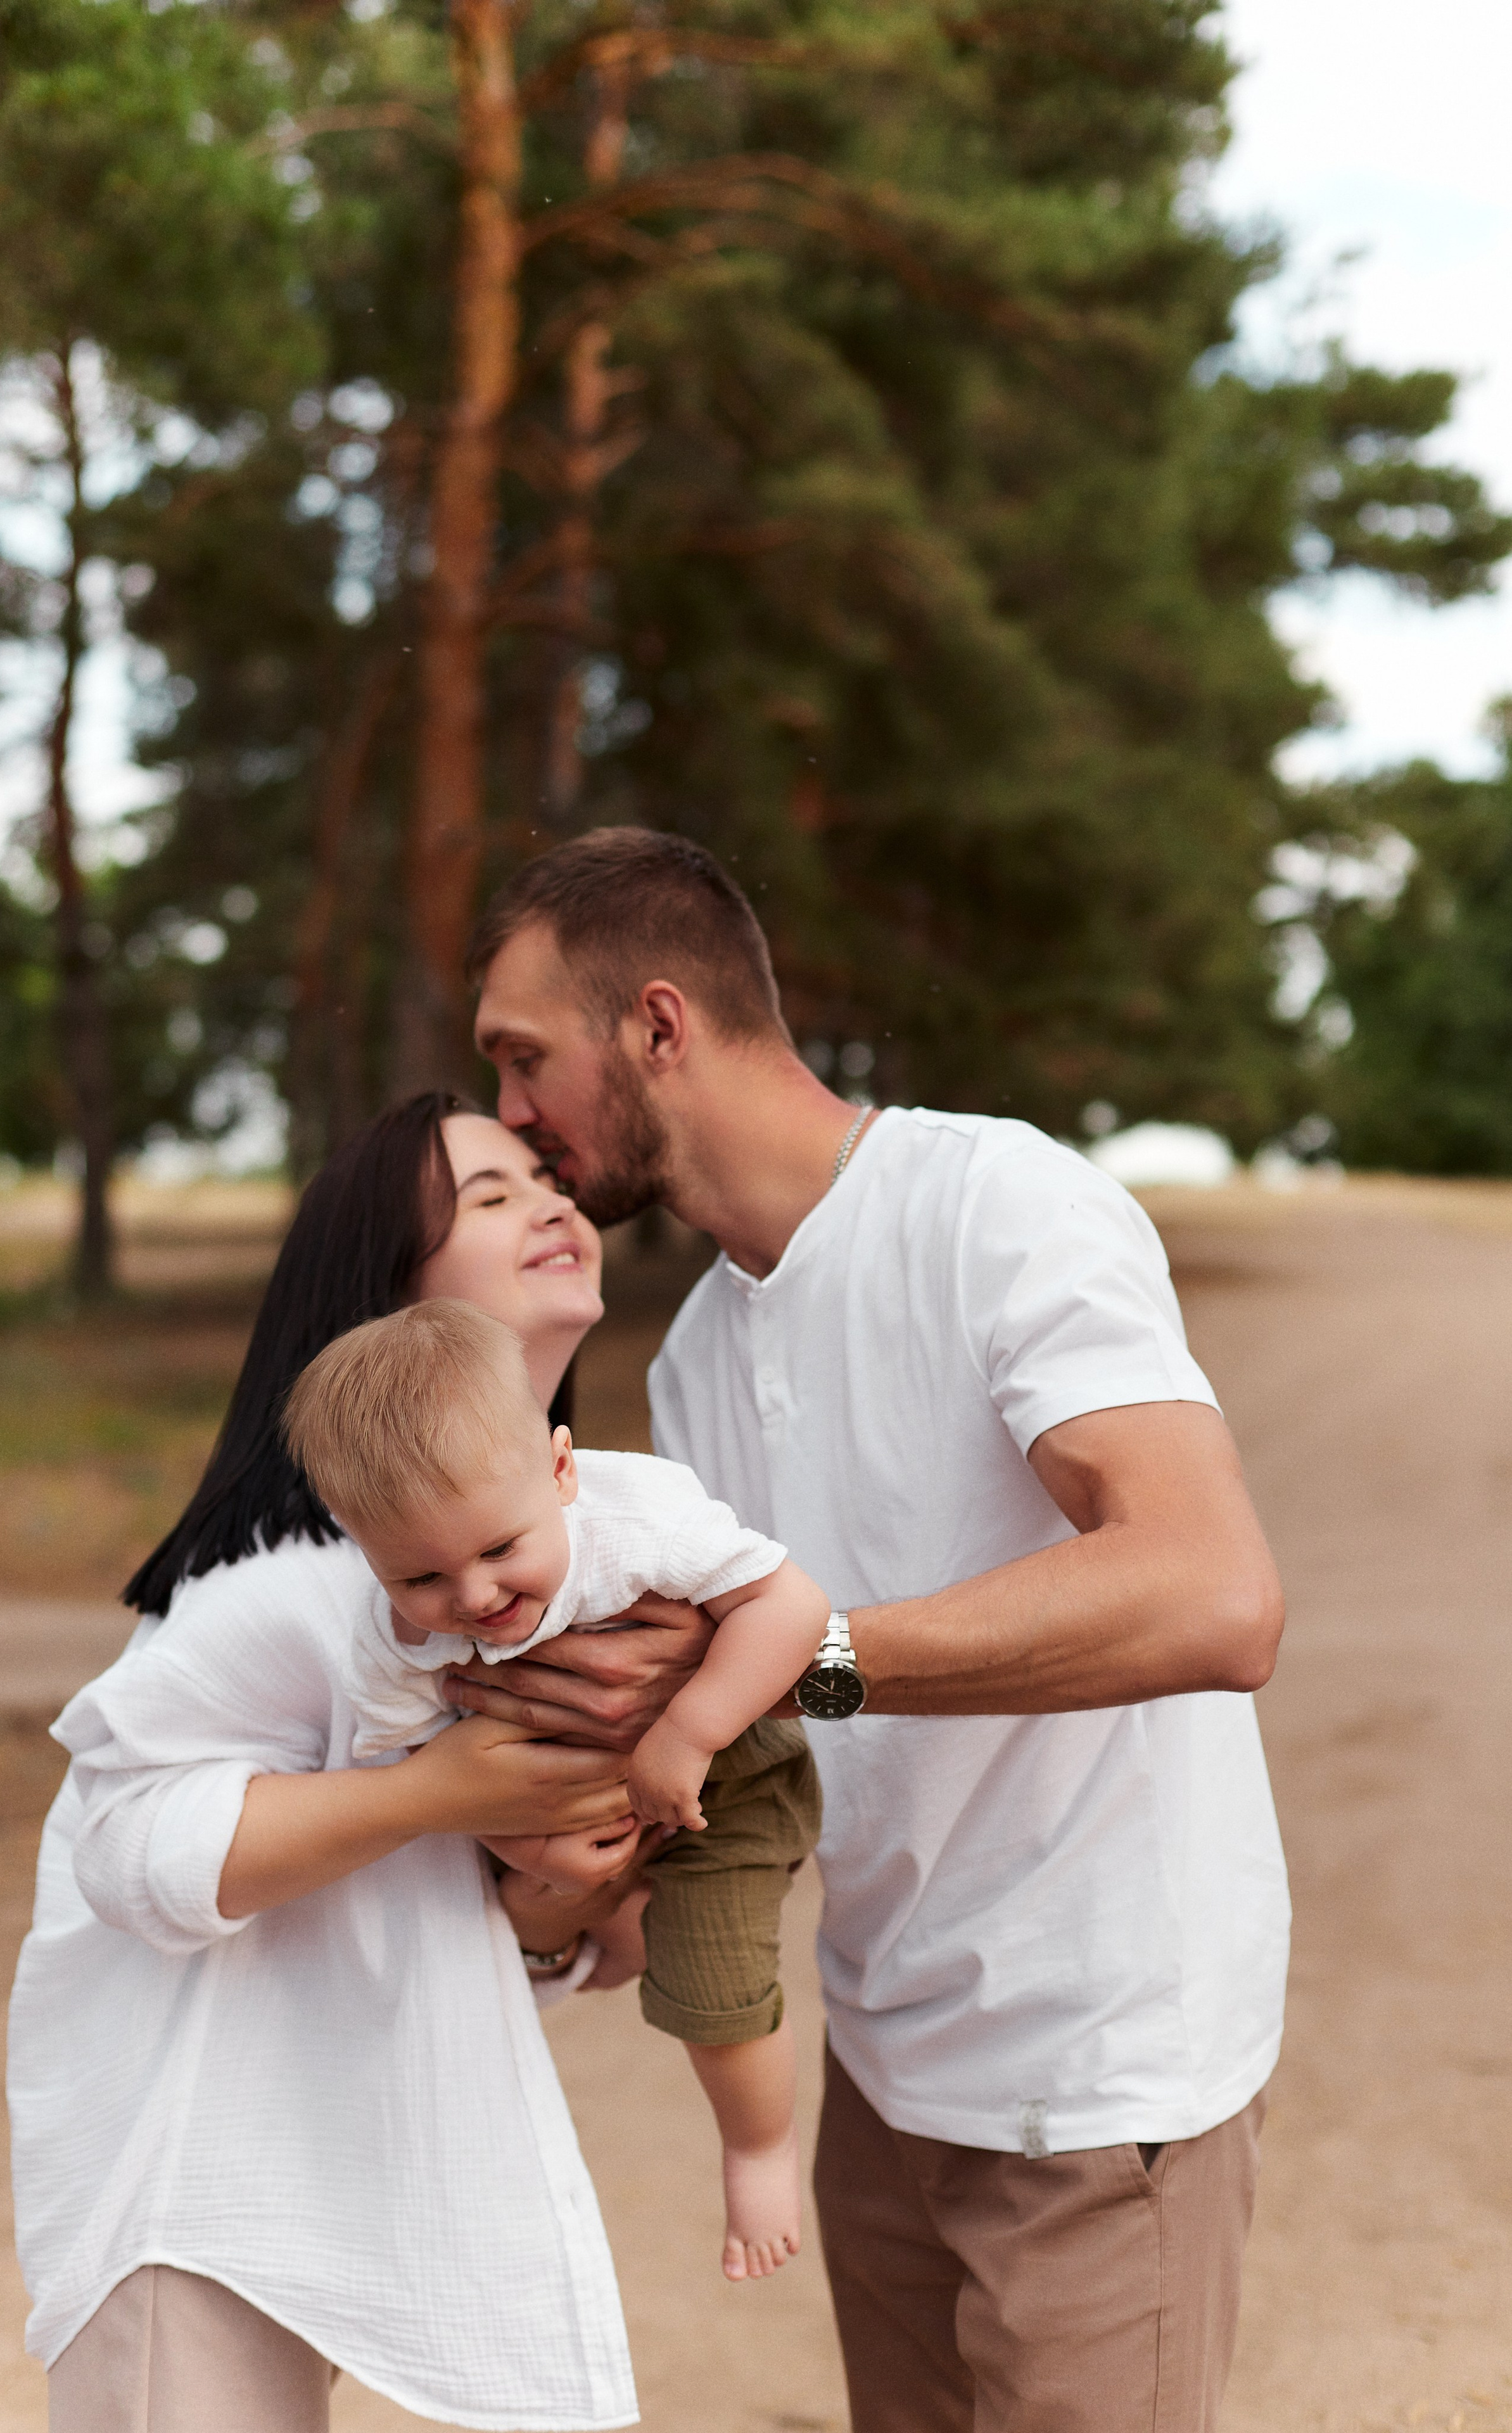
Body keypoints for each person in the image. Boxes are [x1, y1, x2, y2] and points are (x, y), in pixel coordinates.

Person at [452, 826, 1292, 2433]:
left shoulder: (998, 1205)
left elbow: (1211, 1590)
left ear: (654, 1025)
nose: (508, 1116)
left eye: (520, 1058)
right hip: (885, 2070)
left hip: (1099, 2069)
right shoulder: (699, 1350)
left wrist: (802, 1663)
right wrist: (562, 1886)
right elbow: (723, 1755)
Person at [7, 1094, 704, 2432]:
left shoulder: (534, 1575)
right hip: (192, 2188)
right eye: (486, 1198)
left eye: (542, 1178)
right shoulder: (292, 1575)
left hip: (335, 2170)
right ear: (388, 1299)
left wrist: (567, 1892)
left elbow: (451, 1926)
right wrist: (443, 1793)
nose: (549, 1204)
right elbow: (126, 1853)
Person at [283, 1294, 829, 2278]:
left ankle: (759, 2150)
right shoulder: (392, 1635)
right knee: (575, 1929)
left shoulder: (639, 1522)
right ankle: (593, 1932)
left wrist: (693, 1731)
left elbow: (790, 1607)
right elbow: (418, 1771)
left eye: (500, 1549)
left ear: (563, 1469)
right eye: (420, 1579)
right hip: (564, 1810)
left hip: (729, 1775)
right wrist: (519, 1846)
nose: (474, 1599)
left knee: (713, 1977)